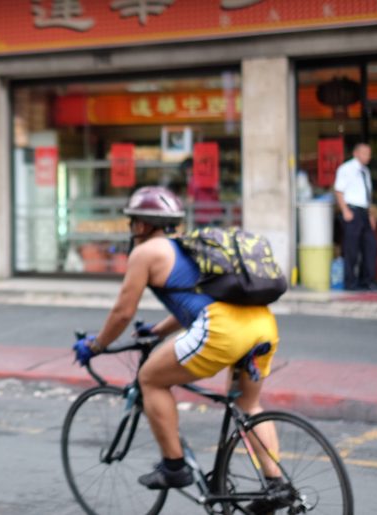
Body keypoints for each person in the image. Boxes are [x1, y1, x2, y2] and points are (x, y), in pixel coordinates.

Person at [72, 186, 282, 503]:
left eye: (132, 222)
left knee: (150, 380)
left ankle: (174, 465)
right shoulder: (189, 248)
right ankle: (275, 486)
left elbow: (122, 313)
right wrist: (158, 331)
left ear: (141, 225)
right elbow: (199, 301)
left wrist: (97, 345)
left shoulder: (144, 253)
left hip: (221, 330)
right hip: (262, 325)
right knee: (249, 406)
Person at [334, 142, 377, 291]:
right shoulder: (346, 169)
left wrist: (371, 215)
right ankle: (350, 283)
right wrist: (345, 210)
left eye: (369, 153)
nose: (368, 156)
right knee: (351, 249)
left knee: (370, 246)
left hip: (364, 212)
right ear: (356, 153)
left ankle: (367, 281)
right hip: (352, 211)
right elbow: (338, 190)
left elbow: (367, 197)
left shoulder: (365, 171)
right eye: (365, 153)